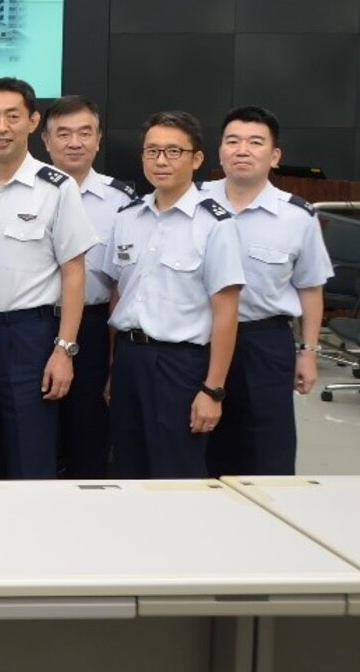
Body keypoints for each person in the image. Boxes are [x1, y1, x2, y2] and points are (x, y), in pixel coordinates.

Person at [0, 77, 96, 480]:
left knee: (28, 455)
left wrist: (64, 349)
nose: (2, 127)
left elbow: (74, 272)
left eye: (12, 116)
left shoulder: (57, 188)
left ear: (32, 121)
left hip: (30, 339)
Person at [96, 112, 245, 480]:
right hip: (130, 360)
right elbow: (119, 295)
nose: (161, 161)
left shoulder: (216, 224)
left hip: (181, 366)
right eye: (152, 151)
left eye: (173, 151)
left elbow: (226, 313)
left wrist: (213, 390)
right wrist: (114, 368)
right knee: (125, 466)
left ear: (196, 159)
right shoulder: (127, 217)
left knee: (176, 471)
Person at [200, 106, 334, 476]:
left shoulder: (297, 217)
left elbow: (310, 288)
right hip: (198, 336)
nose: (242, 150)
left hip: (263, 342)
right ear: (219, 151)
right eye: (233, 141)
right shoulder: (192, 202)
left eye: (255, 142)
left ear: (274, 156)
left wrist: (308, 352)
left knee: (266, 446)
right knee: (200, 438)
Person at [38, 95, 137, 479]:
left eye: (84, 133)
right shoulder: (27, 192)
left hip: (95, 329)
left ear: (99, 140)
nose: (74, 143)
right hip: (35, 323)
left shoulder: (123, 203)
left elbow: (126, 285)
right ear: (45, 141)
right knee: (34, 430)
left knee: (90, 432)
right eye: (63, 134)